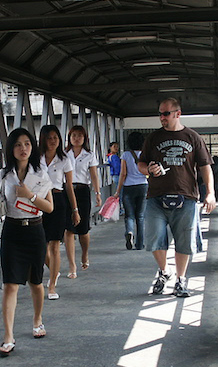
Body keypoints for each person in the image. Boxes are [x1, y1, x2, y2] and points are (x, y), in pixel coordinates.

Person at [138, 97, 216, 297]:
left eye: (166, 113)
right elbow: (141, 164)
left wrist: (210, 193)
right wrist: (149, 169)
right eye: (160, 114)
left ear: (177, 113)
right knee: (154, 237)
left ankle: (181, 280)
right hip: (156, 196)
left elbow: (205, 167)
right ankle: (165, 271)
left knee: (184, 240)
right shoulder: (153, 138)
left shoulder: (193, 137)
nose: (162, 118)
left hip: (186, 196)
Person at [0, 128, 54, 356]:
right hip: (12, 231)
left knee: (35, 281)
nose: (23, 148)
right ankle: (8, 335)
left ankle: (38, 319)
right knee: (10, 283)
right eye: (18, 144)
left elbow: (49, 207)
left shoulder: (40, 174)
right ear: (11, 149)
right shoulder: (3, 175)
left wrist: (29, 195)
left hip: (35, 230)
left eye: (27, 143)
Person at [39, 125, 80, 300]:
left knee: (54, 245)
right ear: (43, 139)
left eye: (56, 137)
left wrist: (75, 210)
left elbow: (69, 186)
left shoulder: (64, 159)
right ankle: (53, 270)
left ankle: (52, 286)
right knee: (41, 245)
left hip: (57, 201)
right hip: (38, 202)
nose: (53, 141)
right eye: (49, 138)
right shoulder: (35, 158)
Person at [64, 125, 102, 278]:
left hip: (82, 190)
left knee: (83, 229)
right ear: (69, 137)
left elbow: (93, 175)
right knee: (69, 229)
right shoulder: (64, 154)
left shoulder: (89, 155)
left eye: (80, 135)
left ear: (85, 138)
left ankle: (84, 254)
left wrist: (97, 193)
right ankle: (72, 265)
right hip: (67, 190)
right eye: (74, 135)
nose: (76, 138)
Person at [111, 131, 147, 250]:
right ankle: (140, 244)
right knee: (140, 216)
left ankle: (129, 232)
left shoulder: (125, 155)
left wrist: (117, 191)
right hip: (142, 186)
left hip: (128, 187)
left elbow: (123, 173)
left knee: (129, 215)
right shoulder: (144, 154)